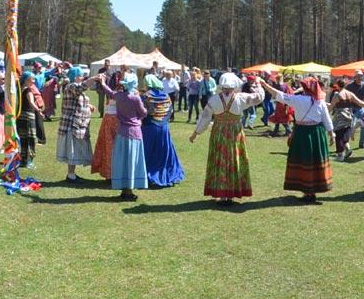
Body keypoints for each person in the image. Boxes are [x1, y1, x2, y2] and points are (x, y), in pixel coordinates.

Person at [191, 72, 263, 205]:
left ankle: (222, 194)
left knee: (220, 160)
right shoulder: (240, 98)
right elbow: (259, 97)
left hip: (219, 132)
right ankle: (231, 194)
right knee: (233, 160)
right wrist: (258, 83)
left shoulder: (213, 100)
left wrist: (196, 132)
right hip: (235, 132)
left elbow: (205, 117)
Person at [262, 77, 335, 203]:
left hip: (302, 134)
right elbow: (326, 119)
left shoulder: (298, 99)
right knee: (315, 161)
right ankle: (312, 191)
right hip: (317, 134)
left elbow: (278, 95)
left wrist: (265, 85)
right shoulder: (320, 101)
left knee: (304, 161)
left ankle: (307, 192)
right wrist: (331, 133)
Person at [100, 72, 148, 201]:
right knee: (131, 162)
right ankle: (129, 191)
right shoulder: (135, 98)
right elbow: (143, 112)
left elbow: (110, 93)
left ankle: (123, 189)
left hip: (121, 132)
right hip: (134, 133)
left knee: (122, 162)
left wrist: (103, 83)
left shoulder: (119, 96)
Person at [56, 68, 100, 182]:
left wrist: (88, 105)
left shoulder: (73, 87)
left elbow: (77, 99)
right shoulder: (71, 86)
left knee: (74, 151)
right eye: (81, 75)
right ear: (75, 76)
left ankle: (72, 174)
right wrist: (94, 78)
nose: (82, 77)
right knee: (72, 151)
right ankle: (71, 176)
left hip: (78, 125)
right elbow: (82, 87)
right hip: (72, 125)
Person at [141, 74, 185, 187]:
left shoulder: (145, 96)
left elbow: (142, 112)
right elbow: (170, 111)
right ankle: (166, 173)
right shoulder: (166, 95)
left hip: (149, 128)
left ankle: (148, 174)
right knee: (163, 151)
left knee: (149, 152)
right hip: (164, 128)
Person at [329, 79, 364, 161]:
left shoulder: (337, 95)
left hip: (339, 117)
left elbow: (331, 107)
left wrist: (324, 113)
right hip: (349, 116)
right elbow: (359, 102)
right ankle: (348, 149)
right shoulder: (349, 93)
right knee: (345, 134)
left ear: (338, 85)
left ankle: (340, 155)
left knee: (338, 135)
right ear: (345, 85)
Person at [91, 97, 118, 180]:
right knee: (111, 147)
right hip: (118, 119)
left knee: (108, 146)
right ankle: (112, 174)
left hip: (110, 118)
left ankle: (109, 174)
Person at [15, 72, 38, 166]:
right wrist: (39, 110)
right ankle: (29, 160)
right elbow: (31, 102)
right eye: (33, 79)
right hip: (28, 117)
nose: (34, 81)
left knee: (23, 138)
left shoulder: (19, 89)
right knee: (31, 138)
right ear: (27, 80)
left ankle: (23, 159)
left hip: (20, 116)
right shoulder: (28, 90)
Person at [346, 70, 364, 149]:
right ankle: (346, 145)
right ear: (355, 77)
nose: (360, 77)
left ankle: (362, 144)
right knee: (350, 127)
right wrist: (348, 108)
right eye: (358, 76)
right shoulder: (349, 86)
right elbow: (345, 96)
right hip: (351, 108)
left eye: (361, 76)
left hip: (361, 109)